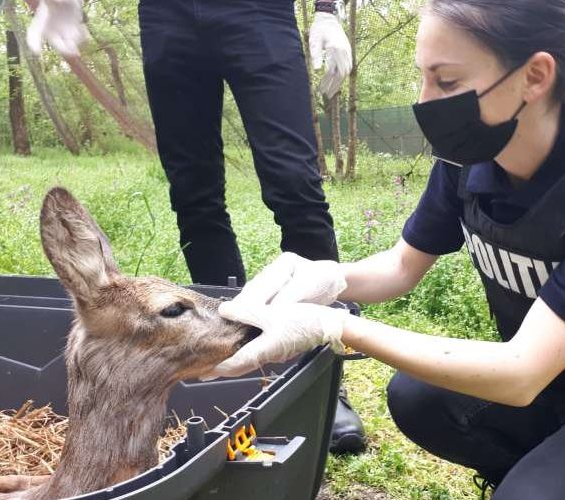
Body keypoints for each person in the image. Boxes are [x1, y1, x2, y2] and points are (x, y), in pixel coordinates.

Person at [206, 0, 565, 498]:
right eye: (424, 77)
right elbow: (403, 265)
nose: (427, 101)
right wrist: (328, 277)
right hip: (548, 394)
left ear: (535, 76)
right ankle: (546, 473)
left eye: (447, 81)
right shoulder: (470, 160)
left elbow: (521, 373)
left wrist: (339, 326)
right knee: (417, 398)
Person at [26, 0, 367, 455]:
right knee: (194, 193)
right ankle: (230, 368)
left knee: (295, 186)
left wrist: (326, 10)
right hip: (167, 16)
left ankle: (321, 376)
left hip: (259, 12)